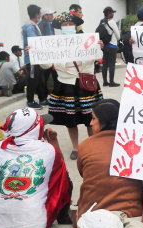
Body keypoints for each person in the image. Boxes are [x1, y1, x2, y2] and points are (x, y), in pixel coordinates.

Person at [36, 11, 104, 160]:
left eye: (70, 24)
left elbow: (98, 58)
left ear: (75, 25)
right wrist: (36, 53)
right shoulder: (54, 44)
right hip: (66, 84)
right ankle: (76, 147)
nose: (68, 26)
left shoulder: (87, 40)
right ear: (60, 27)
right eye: (64, 25)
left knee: (90, 118)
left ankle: (93, 146)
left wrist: (99, 47)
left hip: (86, 83)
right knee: (70, 119)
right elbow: (46, 65)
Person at [75, 100, 143, 228]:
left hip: (94, 220)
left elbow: (84, 174)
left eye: (93, 118)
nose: (90, 123)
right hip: (132, 215)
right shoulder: (136, 143)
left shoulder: (85, 146)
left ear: (105, 122)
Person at [22, 4, 48, 109]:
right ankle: (30, 101)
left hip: (37, 58)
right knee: (32, 80)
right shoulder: (29, 26)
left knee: (39, 79)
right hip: (32, 58)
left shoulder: (34, 25)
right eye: (40, 13)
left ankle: (42, 99)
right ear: (36, 14)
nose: (41, 15)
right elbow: (34, 42)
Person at [100, 6, 121, 87]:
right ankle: (111, 82)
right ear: (108, 13)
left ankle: (105, 81)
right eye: (112, 12)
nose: (113, 14)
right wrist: (118, 40)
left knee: (105, 64)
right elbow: (118, 35)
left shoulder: (102, 22)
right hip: (112, 47)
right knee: (112, 64)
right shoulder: (112, 22)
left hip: (105, 46)